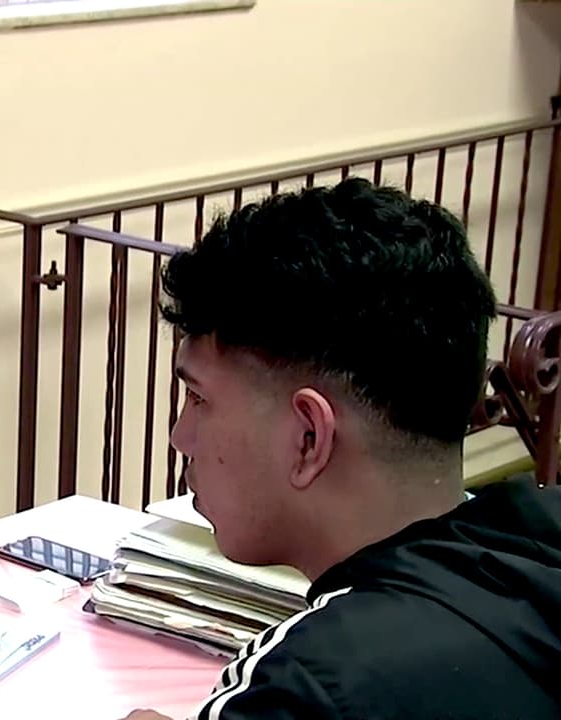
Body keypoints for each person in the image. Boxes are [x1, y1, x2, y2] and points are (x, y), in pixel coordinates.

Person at [119, 178, 561, 719]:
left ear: (309, 437)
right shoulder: (541, 542)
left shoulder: (309, 685)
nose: (180, 436)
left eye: (199, 399)